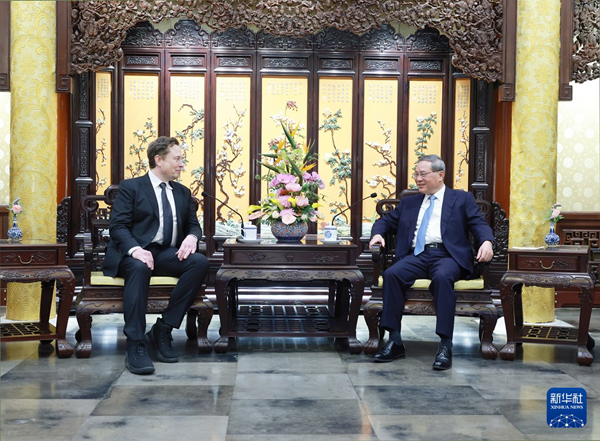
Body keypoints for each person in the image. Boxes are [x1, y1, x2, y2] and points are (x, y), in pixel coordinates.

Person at [369, 154, 494, 370]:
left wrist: (487, 242)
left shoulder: (461, 199)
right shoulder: (410, 202)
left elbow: (478, 223)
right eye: (416, 174)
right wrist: (377, 234)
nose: (418, 179)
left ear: (440, 175)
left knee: (442, 277)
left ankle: (445, 345)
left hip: (447, 255)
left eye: (423, 174)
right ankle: (395, 340)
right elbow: (385, 221)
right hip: (417, 255)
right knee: (392, 275)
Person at [103, 136, 209, 375]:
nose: (182, 164)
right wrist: (136, 250)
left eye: (182, 159)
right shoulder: (131, 187)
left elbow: (193, 225)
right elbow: (117, 227)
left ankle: (163, 328)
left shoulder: (182, 192)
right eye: (177, 159)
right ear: (158, 160)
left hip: (165, 254)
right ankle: (136, 343)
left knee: (199, 262)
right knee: (139, 267)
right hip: (134, 253)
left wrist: (193, 237)